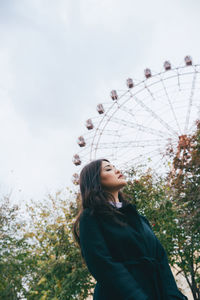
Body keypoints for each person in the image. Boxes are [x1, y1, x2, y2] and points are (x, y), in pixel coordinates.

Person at [73, 159, 188, 300]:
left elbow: (161, 260)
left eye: (115, 167)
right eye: (108, 169)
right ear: (95, 181)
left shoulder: (140, 219)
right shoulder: (91, 218)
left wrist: (173, 296)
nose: (117, 171)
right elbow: (103, 265)